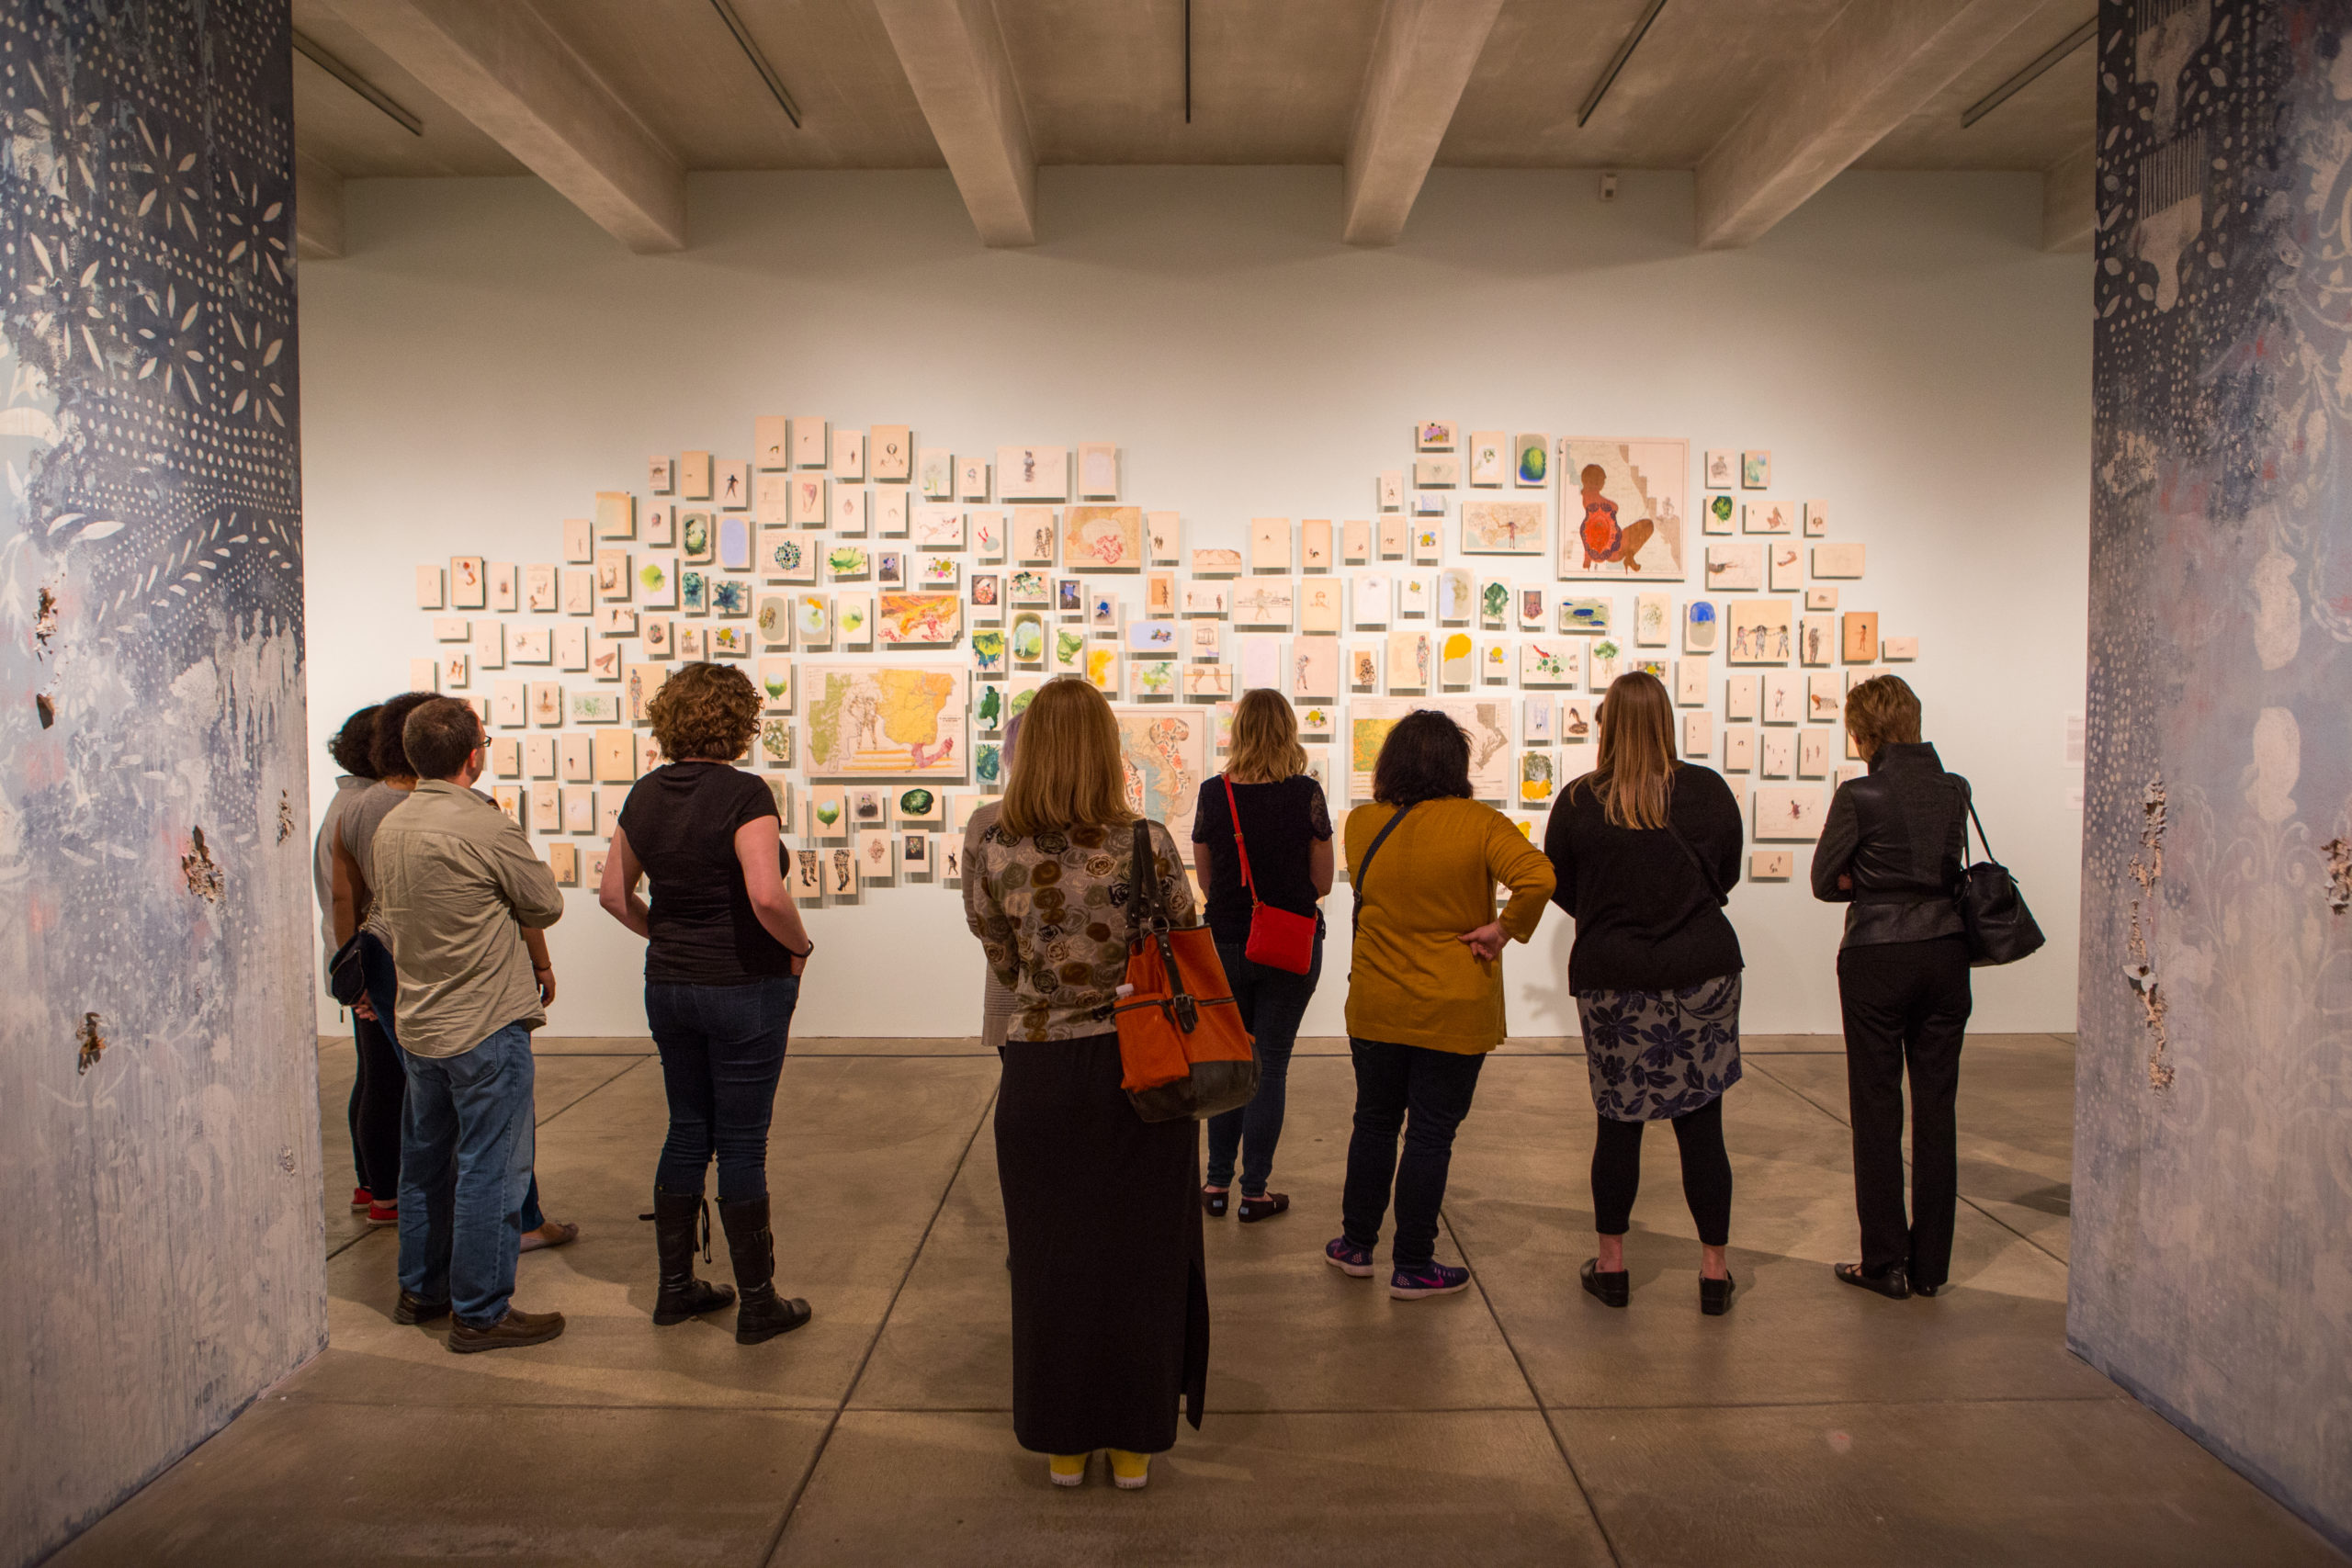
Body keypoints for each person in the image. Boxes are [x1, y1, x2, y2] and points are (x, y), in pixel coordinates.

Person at [963, 678, 1205, 1492]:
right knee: (1143, 1257)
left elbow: (1001, 959)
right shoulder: (1149, 842)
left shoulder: (994, 845)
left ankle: (1064, 1443)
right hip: (1144, 1071)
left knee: (1049, 1261)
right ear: (1107, 749)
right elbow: (1185, 937)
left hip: (1038, 1069)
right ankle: (1134, 1444)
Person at [599, 662, 816, 1344]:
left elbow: (612, 893)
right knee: (744, 1140)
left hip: (667, 984)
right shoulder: (744, 793)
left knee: (688, 1127)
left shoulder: (645, 794)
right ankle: (757, 1304)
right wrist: (800, 947)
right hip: (742, 984)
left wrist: (663, 932)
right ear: (738, 722)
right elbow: (766, 894)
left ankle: (675, 1290)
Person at [368, 698, 568, 1351]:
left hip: (420, 1018)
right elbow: (545, 900)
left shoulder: (392, 825)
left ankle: (420, 1289)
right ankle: (480, 1309)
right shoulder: (482, 824)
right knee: (492, 1167)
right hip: (484, 1020)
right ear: (474, 755)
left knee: (425, 1162)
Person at [1331, 710, 1553, 1300]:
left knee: (1373, 1123)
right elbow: (1537, 877)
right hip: (1453, 1007)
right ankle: (1413, 1264)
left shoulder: (1361, 822)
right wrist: (1503, 930)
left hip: (1376, 1003)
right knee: (1430, 1135)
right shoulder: (1479, 823)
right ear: (1454, 764)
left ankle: (1356, 1246)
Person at [1544, 671, 1746, 1316]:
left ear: (1606, 724)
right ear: (1667, 721)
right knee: (1702, 1124)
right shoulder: (1709, 792)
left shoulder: (1579, 802)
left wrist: (1610, 917)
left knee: (1618, 1123)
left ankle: (1612, 1266)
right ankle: (1714, 1273)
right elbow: (1727, 872)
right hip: (1703, 970)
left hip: (1614, 975)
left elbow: (1560, 884)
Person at [1812, 674, 1973, 1301]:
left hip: (1878, 956)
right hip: (1945, 952)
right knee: (1937, 1109)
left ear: (1863, 731)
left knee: (1877, 1109)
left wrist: (1869, 880)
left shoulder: (1860, 793)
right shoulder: (1953, 788)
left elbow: (1827, 880)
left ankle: (1884, 1261)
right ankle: (1931, 1264)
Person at [1190, 689, 1333, 1223]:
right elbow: (1321, 882)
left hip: (1224, 943)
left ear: (1240, 732)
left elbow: (1207, 882)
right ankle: (1255, 1193)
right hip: (1288, 943)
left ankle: (1215, 1184)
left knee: (1230, 1061)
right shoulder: (1306, 795)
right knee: (1270, 1065)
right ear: (1288, 732)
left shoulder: (1213, 793)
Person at [331, 692, 434, 1227]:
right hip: (416, 961)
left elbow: (344, 898)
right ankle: (408, 1197)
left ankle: (379, 1190)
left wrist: (353, 971)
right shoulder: (421, 807)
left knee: (377, 1077)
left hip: (373, 959)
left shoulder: (354, 809)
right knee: (419, 1089)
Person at [315, 705, 399, 1223]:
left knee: (372, 1075)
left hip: (353, 959)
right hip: (367, 962)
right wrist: (359, 973)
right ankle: (386, 1191)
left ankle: (372, 1183)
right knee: (385, 1080)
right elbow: (352, 900)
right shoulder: (364, 807)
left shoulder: (344, 802)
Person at [964, 711, 1024, 1055]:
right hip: (1097, 1013)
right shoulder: (1116, 828)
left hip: (1010, 995)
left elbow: (979, 919)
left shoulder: (987, 820)